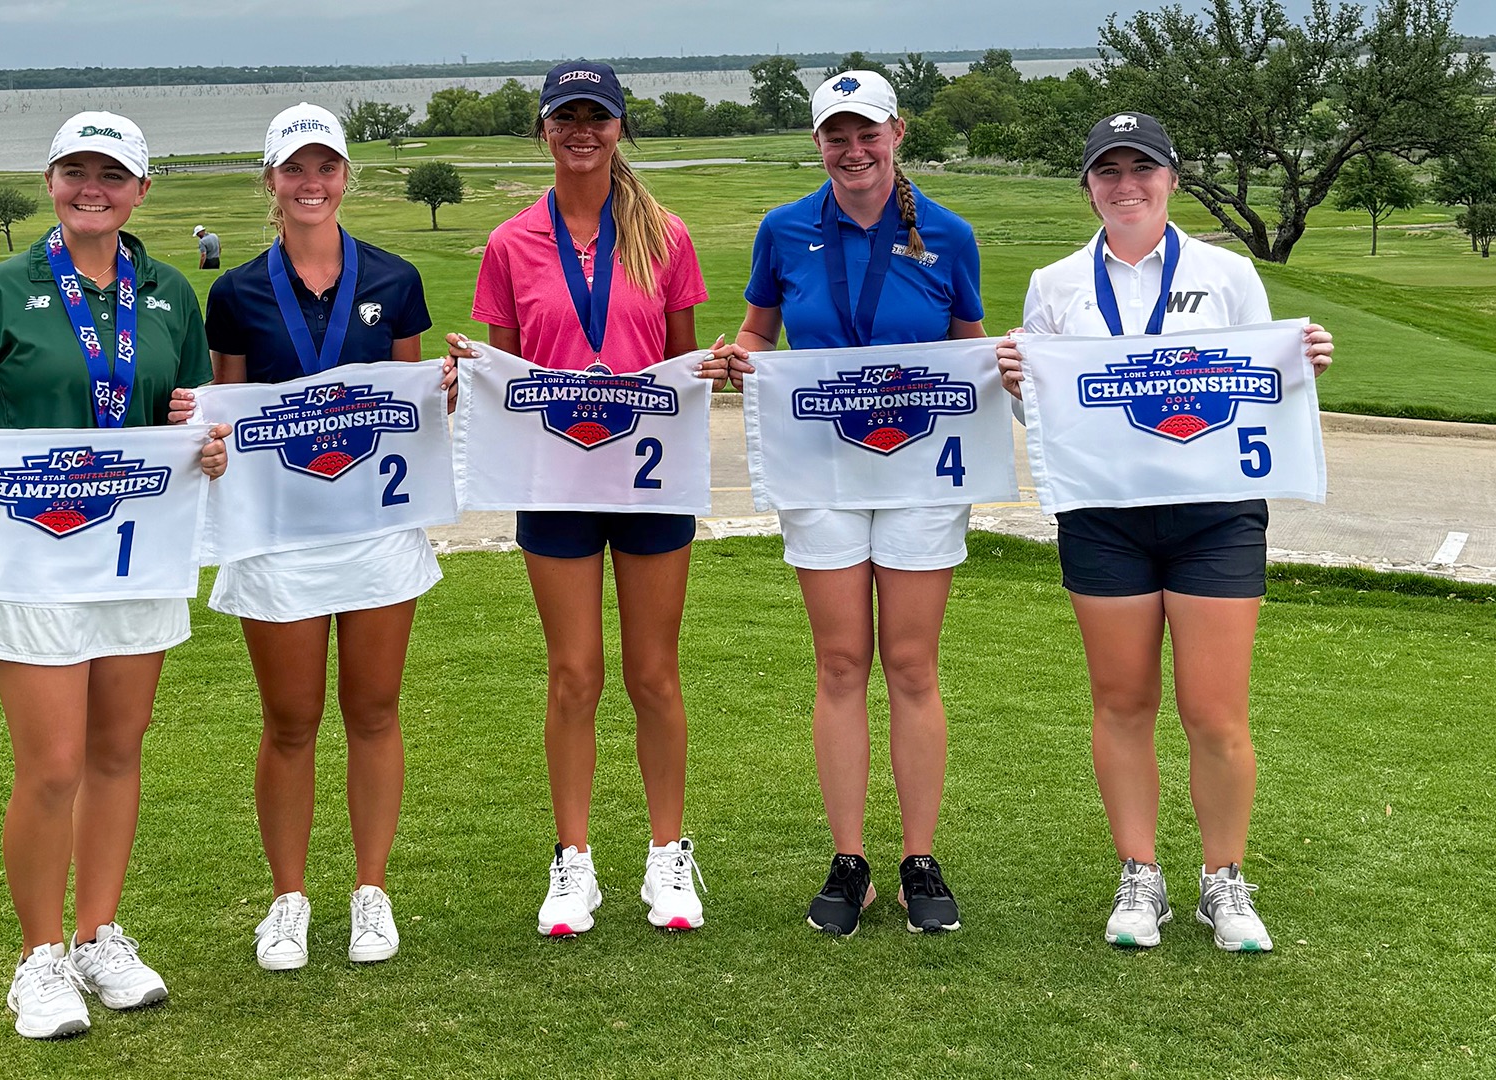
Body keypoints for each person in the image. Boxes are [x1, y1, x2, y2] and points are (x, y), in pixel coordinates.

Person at [0, 111, 230, 1038]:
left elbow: (189, 417)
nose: (93, 189)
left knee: (119, 751)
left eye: (112, 175)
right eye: (76, 171)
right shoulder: (0, 289)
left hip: (132, 553)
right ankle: (38, 958)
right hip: (27, 554)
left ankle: (97, 936)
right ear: (50, 182)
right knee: (52, 764)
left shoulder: (170, 294)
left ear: (141, 190)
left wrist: (207, 444)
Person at [993, 112, 1334, 953]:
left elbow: (1259, 382)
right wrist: (1016, 385)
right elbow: (1048, 414)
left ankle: (1225, 879)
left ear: (1172, 178)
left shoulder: (1226, 273)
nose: (1126, 185)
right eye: (1107, 171)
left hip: (1215, 515)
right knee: (1122, 703)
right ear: (1088, 187)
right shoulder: (1055, 283)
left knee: (1214, 713)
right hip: (1104, 517)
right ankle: (1140, 875)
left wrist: (1301, 365)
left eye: (1141, 168)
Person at [703, 71, 984, 938]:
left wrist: (1004, 368)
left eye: (868, 133)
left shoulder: (948, 234)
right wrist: (741, 356)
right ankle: (850, 860)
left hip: (917, 473)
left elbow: (969, 348)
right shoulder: (785, 229)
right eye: (837, 135)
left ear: (897, 133)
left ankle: (919, 859)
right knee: (838, 663)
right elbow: (761, 329)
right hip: (820, 468)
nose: (853, 150)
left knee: (912, 664)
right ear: (818, 142)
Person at [448, 61, 724, 937]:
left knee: (654, 674)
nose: (580, 131)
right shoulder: (509, 243)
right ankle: (573, 861)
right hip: (555, 480)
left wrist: (711, 370)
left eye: (595, 117)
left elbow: (680, 369)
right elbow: (506, 375)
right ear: (542, 129)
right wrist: (470, 373)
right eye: (564, 117)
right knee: (573, 675)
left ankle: (667, 854)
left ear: (618, 128)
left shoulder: (665, 236)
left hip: (647, 480)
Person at [167, 102, 444, 970]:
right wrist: (203, 433)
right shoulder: (234, 292)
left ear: (345, 176)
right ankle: (288, 899)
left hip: (375, 527)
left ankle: (371, 891)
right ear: (271, 180)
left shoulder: (395, 278)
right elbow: (227, 412)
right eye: (294, 169)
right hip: (278, 534)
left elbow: (408, 409)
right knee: (290, 721)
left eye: (325, 167)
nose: (311, 183)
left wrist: (446, 392)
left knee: (374, 710)